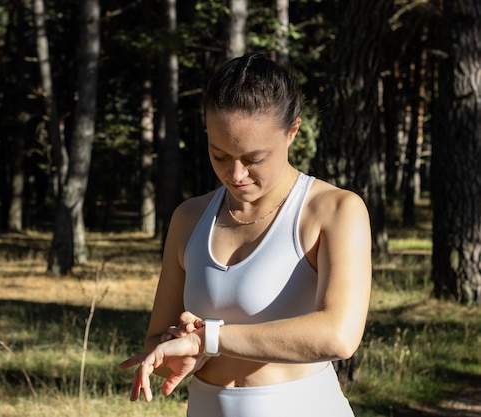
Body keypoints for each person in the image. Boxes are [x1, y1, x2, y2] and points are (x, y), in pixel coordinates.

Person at [119, 52, 372, 416]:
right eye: (219, 155)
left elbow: (339, 336)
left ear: (292, 132)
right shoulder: (189, 218)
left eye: (253, 159)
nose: (236, 174)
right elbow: (155, 340)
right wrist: (183, 347)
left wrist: (211, 338)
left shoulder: (333, 210)